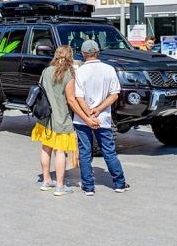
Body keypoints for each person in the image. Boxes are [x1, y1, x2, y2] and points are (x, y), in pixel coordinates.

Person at [30, 46, 99, 196]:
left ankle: (46, 180)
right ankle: (60, 186)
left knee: (46, 148)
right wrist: (87, 117)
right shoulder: (68, 74)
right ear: (70, 57)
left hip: (45, 118)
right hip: (61, 118)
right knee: (60, 152)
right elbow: (71, 100)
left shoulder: (46, 71)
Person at [73, 40, 129, 196]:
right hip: (103, 117)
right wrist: (98, 110)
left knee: (85, 152)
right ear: (97, 52)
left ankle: (88, 187)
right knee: (109, 151)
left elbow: (79, 97)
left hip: (82, 118)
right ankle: (119, 183)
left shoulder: (79, 72)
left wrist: (89, 114)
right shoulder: (109, 69)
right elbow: (114, 94)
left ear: (83, 54)